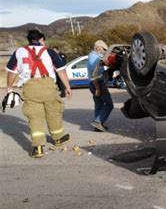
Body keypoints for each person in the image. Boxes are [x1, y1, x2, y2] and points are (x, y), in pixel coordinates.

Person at [5, 29, 72, 158]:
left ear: (28, 40)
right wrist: (67, 87)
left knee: (35, 117)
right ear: (41, 39)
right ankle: (58, 138)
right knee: (53, 112)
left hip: (30, 87)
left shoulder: (19, 52)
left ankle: (38, 147)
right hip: (48, 86)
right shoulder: (49, 52)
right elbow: (61, 70)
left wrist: (9, 87)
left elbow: (12, 71)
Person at [87, 40, 113, 132]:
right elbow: (95, 75)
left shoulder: (93, 56)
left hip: (93, 83)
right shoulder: (95, 58)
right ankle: (98, 121)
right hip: (97, 83)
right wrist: (98, 88)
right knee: (109, 104)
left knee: (99, 104)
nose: (104, 51)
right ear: (98, 47)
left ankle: (98, 126)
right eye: (103, 49)